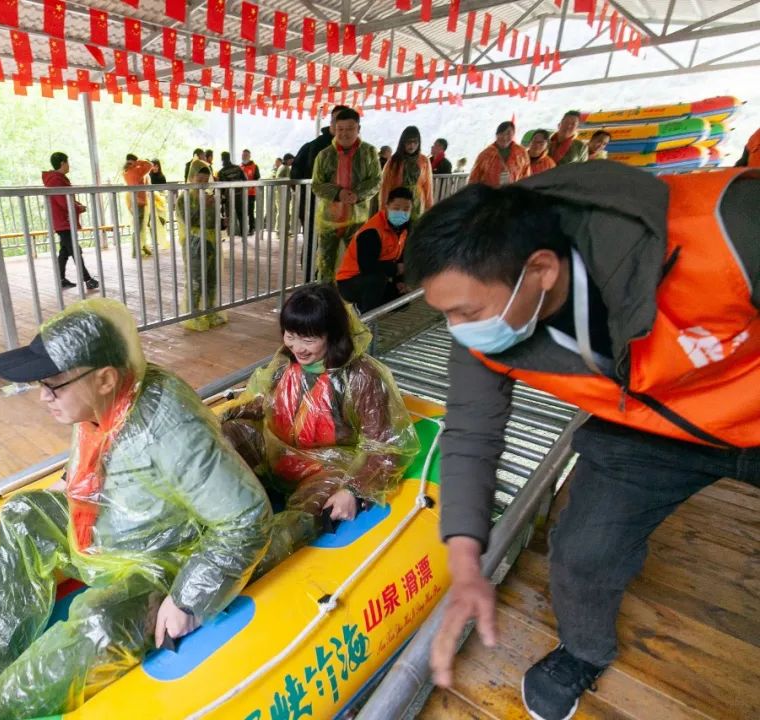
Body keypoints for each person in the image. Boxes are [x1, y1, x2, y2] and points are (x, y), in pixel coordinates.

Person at [405, 162, 759, 720]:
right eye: (444, 314)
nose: (457, 329)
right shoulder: (482, 324)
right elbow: (472, 432)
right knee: (583, 550)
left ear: (540, 269)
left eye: (465, 312)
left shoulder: (729, 226)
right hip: (645, 432)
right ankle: (584, 649)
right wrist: (467, 559)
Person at [0, 299, 271, 719]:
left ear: (104, 378)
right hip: (102, 531)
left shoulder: (168, 427)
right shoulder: (100, 404)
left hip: (160, 559)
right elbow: (93, 466)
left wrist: (188, 599)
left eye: (53, 385)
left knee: (101, 622)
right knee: (23, 516)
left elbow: (245, 518)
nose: (42, 397)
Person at [221, 283, 419, 574]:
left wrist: (354, 489)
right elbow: (262, 402)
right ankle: (212, 514)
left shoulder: (361, 377)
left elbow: (386, 445)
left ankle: (240, 566)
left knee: (310, 511)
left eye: (309, 339)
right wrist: (222, 419)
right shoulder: (285, 363)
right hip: (277, 451)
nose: (297, 346)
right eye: (290, 335)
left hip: (327, 467)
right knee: (223, 438)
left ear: (333, 334)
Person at [311, 107, 382, 283]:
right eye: (341, 129)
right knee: (326, 262)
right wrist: (338, 193)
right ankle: (326, 297)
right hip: (329, 219)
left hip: (357, 218)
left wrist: (357, 194)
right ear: (334, 129)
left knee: (356, 260)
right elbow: (317, 185)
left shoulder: (369, 152)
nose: (345, 133)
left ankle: (352, 302)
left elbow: (376, 180)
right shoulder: (324, 155)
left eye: (350, 129)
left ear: (358, 129)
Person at [292, 105, 351, 283]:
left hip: (342, 210)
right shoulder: (314, 147)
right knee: (314, 244)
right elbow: (296, 177)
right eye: (337, 121)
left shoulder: (356, 149)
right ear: (332, 122)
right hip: (316, 209)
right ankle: (312, 282)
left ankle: (329, 282)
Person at [337, 187, 413, 313]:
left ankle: (364, 306)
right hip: (350, 282)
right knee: (376, 280)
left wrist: (400, 281)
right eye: (396, 208)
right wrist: (396, 269)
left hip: (376, 277)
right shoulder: (372, 231)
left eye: (406, 209)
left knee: (401, 300)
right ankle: (366, 317)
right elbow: (367, 267)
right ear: (386, 206)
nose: (401, 213)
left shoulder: (404, 228)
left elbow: (400, 257)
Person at [177, 165, 226, 331]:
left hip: (211, 241)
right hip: (194, 243)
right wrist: (203, 206)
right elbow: (189, 221)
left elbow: (212, 220)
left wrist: (221, 221)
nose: (203, 184)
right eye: (199, 180)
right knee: (196, 280)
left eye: (206, 181)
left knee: (211, 279)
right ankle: (193, 314)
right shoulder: (184, 199)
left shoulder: (207, 197)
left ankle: (210, 311)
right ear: (191, 179)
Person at [42, 152, 98, 291]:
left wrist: (77, 206)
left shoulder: (56, 179)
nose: (69, 165)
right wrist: (78, 208)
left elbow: (66, 199)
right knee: (74, 250)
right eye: (67, 162)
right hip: (63, 221)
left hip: (63, 221)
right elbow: (64, 202)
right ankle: (88, 279)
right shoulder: (56, 180)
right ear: (62, 163)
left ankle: (60, 279)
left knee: (65, 251)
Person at [379, 125, 433, 222]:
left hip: (418, 203)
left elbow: (428, 186)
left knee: (414, 230)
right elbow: (385, 187)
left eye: (415, 142)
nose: (412, 145)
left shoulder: (424, 161)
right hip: (398, 202)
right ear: (403, 143)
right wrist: (383, 209)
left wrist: (429, 208)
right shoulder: (393, 161)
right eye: (409, 142)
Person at [468, 121, 530, 188]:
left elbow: (526, 176)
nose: (504, 137)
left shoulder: (521, 153)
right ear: (496, 135)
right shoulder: (485, 155)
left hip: (513, 195)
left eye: (508, 133)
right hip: (491, 195)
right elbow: (474, 179)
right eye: (501, 133)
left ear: (513, 134)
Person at [122, 154, 154, 258]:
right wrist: (139, 162)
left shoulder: (125, 172)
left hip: (131, 202)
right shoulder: (137, 170)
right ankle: (136, 252)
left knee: (136, 227)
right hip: (140, 202)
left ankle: (137, 250)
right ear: (134, 161)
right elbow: (150, 165)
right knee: (139, 228)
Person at [216, 150, 248, 237]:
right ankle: (243, 234)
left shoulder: (221, 172)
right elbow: (245, 180)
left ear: (222, 159)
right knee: (241, 214)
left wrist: (221, 198)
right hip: (239, 195)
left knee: (229, 216)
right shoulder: (238, 168)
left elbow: (222, 187)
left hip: (228, 197)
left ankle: (231, 235)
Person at [240, 149, 261, 234]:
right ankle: (243, 229)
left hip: (251, 193)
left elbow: (257, 178)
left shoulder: (254, 166)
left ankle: (252, 228)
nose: (244, 156)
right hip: (241, 193)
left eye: (246, 155)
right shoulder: (239, 166)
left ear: (249, 156)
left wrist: (251, 185)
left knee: (250, 211)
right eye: (243, 155)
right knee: (242, 211)